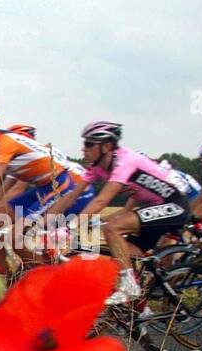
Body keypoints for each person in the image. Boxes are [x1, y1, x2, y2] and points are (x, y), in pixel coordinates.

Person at [0, 103, 92, 269]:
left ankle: (47, 275)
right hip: (41, 189)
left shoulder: (5, 143)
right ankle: (2, 275)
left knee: (16, 238)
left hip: (59, 185)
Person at [74, 121, 191, 303]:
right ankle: (142, 308)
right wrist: (51, 223)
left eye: (89, 144)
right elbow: (72, 195)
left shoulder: (125, 160)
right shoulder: (97, 167)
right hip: (153, 208)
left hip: (175, 205)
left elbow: (102, 200)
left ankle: (130, 287)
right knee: (124, 252)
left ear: (106, 146)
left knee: (113, 229)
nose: (83, 149)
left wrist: (70, 227)